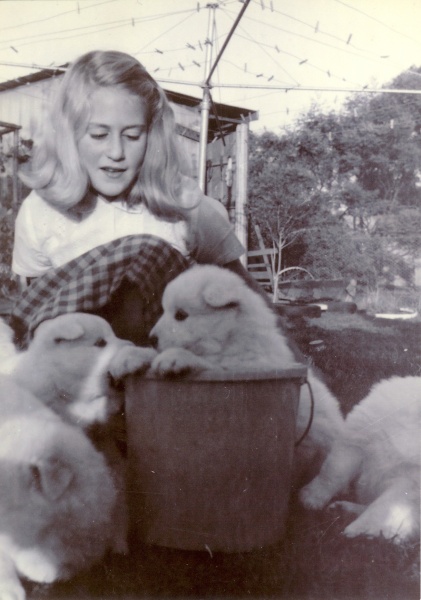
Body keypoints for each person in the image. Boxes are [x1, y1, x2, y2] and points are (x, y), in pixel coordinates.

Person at [11, 50, 262, 346]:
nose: (116, 152)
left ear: (152, 136)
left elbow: (251, 303)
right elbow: (37, 310)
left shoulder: (182, 203)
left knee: (146, 251)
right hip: (83, 373)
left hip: (170, 367)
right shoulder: (41, 212)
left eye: (132, 136)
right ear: (69, 135)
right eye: (99, 135)